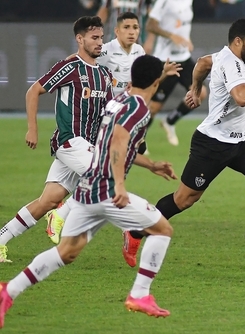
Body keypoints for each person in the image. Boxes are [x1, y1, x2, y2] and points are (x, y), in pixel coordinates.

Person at [0, 55, 176, 329]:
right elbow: (118, 142)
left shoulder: (120, 100)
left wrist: (151, 165)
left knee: (66, 252)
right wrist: (120, 185)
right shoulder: (138, 108)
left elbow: (112, 143)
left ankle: (8, 291)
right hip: (107, 190)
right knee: (162, 230)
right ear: (157, 81)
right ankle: (140, 294)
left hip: (87, 190)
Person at [123, 19, 245, 266]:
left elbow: (203, 62)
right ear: (239, 41)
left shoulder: (225, 57)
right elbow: (240, 98)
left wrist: (195, 89)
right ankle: (135, 232)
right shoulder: (231, 63)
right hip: (212, 144)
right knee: (184, 199)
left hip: (239, 140)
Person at [44, 12, 182, 246]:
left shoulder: (139, 51)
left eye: (135, 27)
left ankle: (68, 212)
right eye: (126, 27)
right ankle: (62, 213)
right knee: (105, 168)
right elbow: (79, 59)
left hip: (130, 113)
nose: (131, 31)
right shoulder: (105, 49)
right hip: (110, 114)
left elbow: (144, 77)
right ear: (116, 31)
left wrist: (163, 72)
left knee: (117, 164)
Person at [0, 16, 114, 263]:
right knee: (103, 178)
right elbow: (34, 90)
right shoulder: (70, 67)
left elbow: (107, 114)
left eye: (101, 38)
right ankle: (61, 215)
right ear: (80, 39)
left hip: (88, 147)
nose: (99, 43)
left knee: (48, 200)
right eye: (94, 38)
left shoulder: (104, 75)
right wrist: (32, 129)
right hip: (69, 140)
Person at [146, 0, 208, 147]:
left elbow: (183, 23)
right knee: (154, 107)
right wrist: (172, 36)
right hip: (166, 60)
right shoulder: (163, 1)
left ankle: (169, 121)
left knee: (200, 93)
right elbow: (151, 25)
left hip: (184, 59)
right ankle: (140, 139)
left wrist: (186, 39)